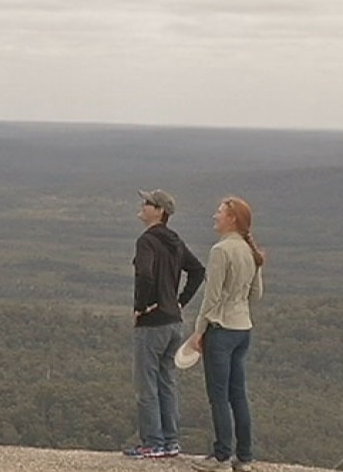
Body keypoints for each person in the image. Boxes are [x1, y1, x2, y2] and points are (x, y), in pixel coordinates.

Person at [124, 189, 205, 459]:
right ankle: (170, 441)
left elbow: (145, 275)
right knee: (167, 382)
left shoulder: (146, 241)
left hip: (152, 322)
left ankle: (152, 442)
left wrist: (140, 307)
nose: (142, 206)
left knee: (146, 384)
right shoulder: (175, 241)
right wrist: (180, 301)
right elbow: (197, 271)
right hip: (173, 322)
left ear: (159, 211)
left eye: (147, 203)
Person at [190, 197, 265, 472]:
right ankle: (244, 456)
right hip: (243, 328)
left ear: (232, 218)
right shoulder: (249, 250)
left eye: (220, 212)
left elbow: (210, 299)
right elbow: (256, 294)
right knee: (238, 394)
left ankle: (221, 456)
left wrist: (199, 332)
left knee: (218, 395)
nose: (215, 216)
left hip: (221, 330)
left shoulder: (221, 251)